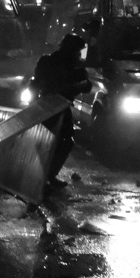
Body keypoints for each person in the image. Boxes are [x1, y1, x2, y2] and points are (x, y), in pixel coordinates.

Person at [32, 33, 91, 191]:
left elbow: (84, 85)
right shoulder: (52, 63)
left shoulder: (67, 64)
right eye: (77, 51)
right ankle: (42, 178)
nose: (79, 55)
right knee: (51, 143)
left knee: (63, 142)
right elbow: (47, 85)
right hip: (50, 108)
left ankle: (48, 176)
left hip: (59, 108)